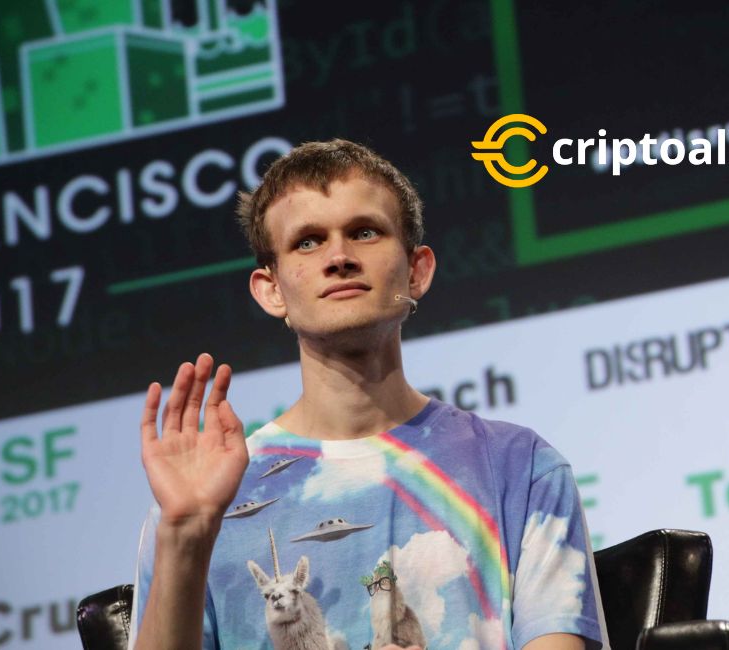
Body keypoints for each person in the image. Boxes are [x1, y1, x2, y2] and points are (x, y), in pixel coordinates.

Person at [129, 139, 608, 650]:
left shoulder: (520, 467)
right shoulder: (204, 499)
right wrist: (185, 534)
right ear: (272, 290)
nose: (338, 258)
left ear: (416, 270)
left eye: (364, 232)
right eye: (307, 242)